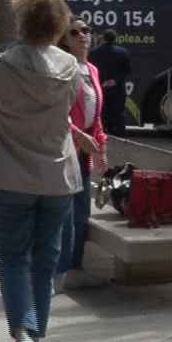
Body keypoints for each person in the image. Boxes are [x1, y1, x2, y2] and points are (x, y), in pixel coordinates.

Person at [0, 0, 83, 342]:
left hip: (8, 174)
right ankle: (37, 337)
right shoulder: (70, 66)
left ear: (21, 22)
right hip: (57, 175)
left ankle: (24, 331)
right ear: (59, 26)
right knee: (45, 259)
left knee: (13, 258)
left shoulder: (0, 66)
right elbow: (70, 108)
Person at [56, 20, 107, 290]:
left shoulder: (93, 69)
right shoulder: (63, 68)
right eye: (74, 32)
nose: (82, 35)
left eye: (86, 31)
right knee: (66, 214)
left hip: (85, 151)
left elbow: (96, 116)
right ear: (64, 39)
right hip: (66, 148)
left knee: (82, 212)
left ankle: (74, 267)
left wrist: (101, 147)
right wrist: (78, 136)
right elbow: (56, 111)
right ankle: (60, 272)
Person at [90, 29, 134, 137]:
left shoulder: (94, 53)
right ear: (115, 39)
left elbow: (91, 69)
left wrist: (102, 82)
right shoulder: (123, 52)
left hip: (101, 87)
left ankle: (103, 133)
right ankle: (121, 135)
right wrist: (115, 80)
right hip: (118, 88)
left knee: (102, 111)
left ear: (103, 38)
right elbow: (127, 70)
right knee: (119, 112)